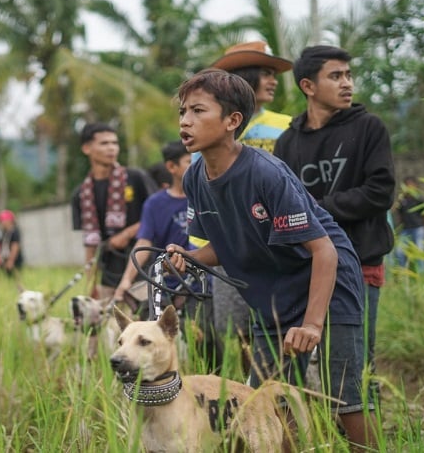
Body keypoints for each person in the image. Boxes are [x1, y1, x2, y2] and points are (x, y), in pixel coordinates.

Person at [168, 68, 377, 449]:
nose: (185, 121)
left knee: (342, 394)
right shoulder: (196, 178)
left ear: (233, 121)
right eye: (183, 112)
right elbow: (226, 245)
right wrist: (189, 256)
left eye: (198, 111)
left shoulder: (265, 174)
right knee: (267, 399)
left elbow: (323, 250)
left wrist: (312, 325)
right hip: (274, 292)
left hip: (326, 281)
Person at [273, 45, 395, 407]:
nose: (347, 84)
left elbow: (380, 192)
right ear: (308, 86)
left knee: (354, 364)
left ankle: (366, 437)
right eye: (336, 76)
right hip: (304, 268)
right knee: (294, 362)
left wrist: (314, 211)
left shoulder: (369, 128)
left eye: (348, 75)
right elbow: (279, 202)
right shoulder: (288, 142)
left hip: (359, 262)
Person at [203, 40, 295, 358]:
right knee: (239, 332)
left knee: (281, 328)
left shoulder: (286, 127)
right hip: (229, 249)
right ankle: (250, 397)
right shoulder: (209, 129)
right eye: (265, 73)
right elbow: (201, 196)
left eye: (274, 74)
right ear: (243, 78)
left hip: (278, 246)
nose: (273, 81)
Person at [113, 140, 223, 373]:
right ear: (171, 167)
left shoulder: (209, 195)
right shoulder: (155, 204)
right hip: (163, 280)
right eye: (188, 161)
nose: (196, 165)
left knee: (204, 336)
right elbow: (144, 242)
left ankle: (213, 380)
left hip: (199, 280)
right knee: (146, 332)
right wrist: (125, 281)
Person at [71, 122, 157, 303]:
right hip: (109, 270)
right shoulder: (81, 193)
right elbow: (90, 243)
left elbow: (159, 215)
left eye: (114, 143)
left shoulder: (136, 178)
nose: (112, 148)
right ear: (87, 148)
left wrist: (126, 234)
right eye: (104, 143)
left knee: (143, 320)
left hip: (143, 266)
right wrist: (90, 283)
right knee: (110, 324)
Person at [394, 176, 424, 272]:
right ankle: (403, 273)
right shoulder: (402, 200)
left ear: (415, 186)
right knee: (399, 251)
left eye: (410, 185)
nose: (409, 187)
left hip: (418, 228)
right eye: (407, 185)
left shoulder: (419, 199)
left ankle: (421, 274)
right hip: (405, 229)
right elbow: (397, 212)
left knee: (419, 252)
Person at [0, 209, 23, 278]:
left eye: (3, 220)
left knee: (16, 277)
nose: (2, 222)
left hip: (14, 259)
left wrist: (11, 260)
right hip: (6, 258)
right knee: (8, 278)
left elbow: (15, 246)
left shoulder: (14, 231)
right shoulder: (5, 232)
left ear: (9, 220)